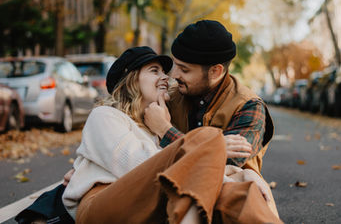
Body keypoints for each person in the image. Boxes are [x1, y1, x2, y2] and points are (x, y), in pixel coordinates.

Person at [60, 46, 281, 223]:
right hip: (101, 205)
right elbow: (141, 166)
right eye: (154, 71)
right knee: (206, 140)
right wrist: (212, 149)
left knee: (237, 196)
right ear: (131, 81)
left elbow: (177, 168)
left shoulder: (154, 126)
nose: (167, 77)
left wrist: (245, 176)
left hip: (150, 204)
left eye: (164, 71)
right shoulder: (104, 116)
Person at [144, 19, 274, 177]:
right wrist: (214, 147)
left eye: (184, 69)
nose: (174, 75)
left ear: (215, 72)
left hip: (229, 196)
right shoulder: (169, 96)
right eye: (175, 65)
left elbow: (224, 164)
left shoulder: (248, 106)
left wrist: (165, 130)